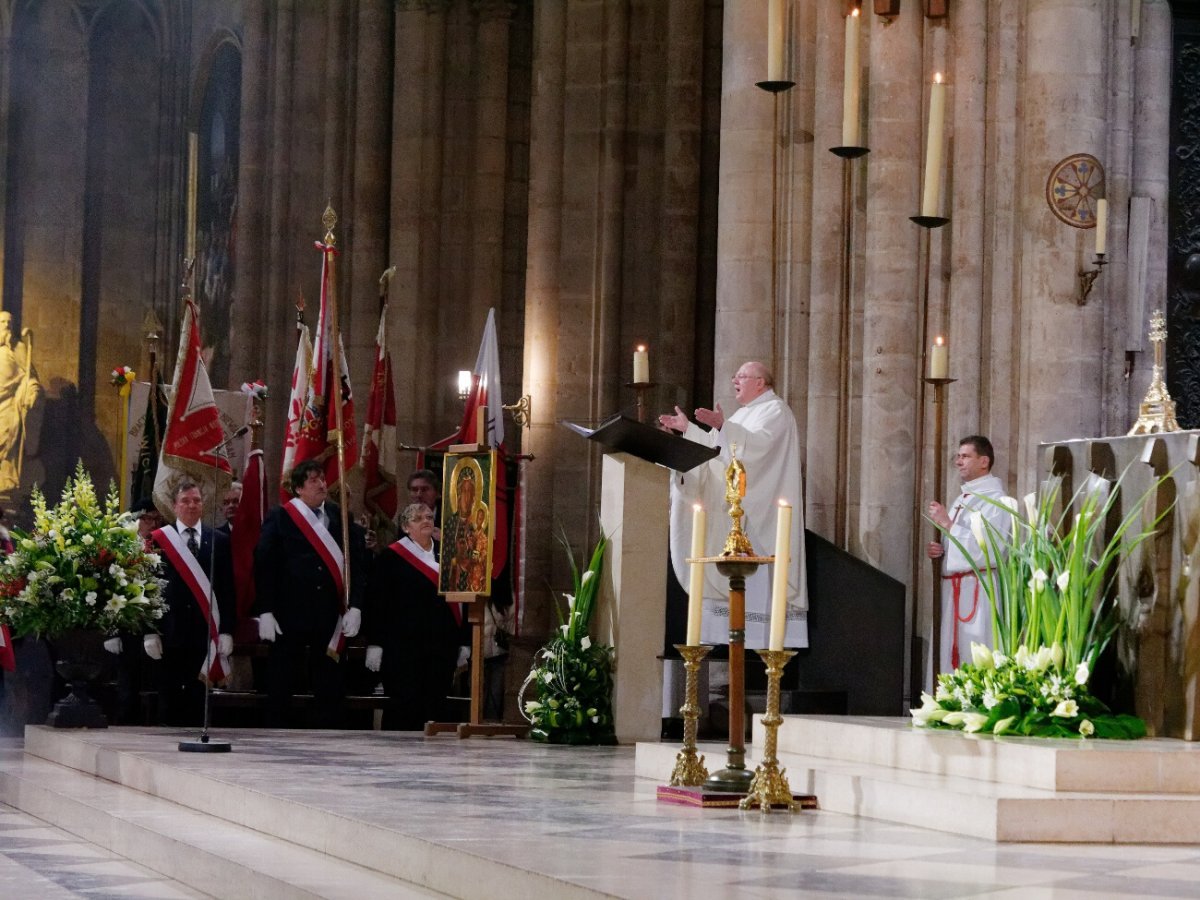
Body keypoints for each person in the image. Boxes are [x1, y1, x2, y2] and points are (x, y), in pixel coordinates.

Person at [658, 361, 808, 647]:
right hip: (737, 522)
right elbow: (714, 454)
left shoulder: (776, 410)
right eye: (735, 376)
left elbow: (756, 451)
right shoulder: (745, 414)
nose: (735, 381)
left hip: (760, 524)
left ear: (761, 382)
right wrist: (688, 430)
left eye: (742, 376)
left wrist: (724, 426)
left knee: (761, 625)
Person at [253, 459, 368, 728]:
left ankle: (327, 735)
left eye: (322, 479)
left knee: (329, 680)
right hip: (289, 612)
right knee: (282, 679)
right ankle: (276, 735)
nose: (322, 485)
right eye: (314, 480)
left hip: (329, 613)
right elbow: (264, 563)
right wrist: (266, 609)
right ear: (298, 489)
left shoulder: (340, 516)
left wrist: (356, 606)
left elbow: (357, 564)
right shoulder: (281, 517)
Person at [143, 480, 236, 726]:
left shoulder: (220, 540)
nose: (191, 505)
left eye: (196, 500)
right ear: (174, 506)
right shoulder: (158, 540)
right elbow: (147, 587)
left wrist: (226, 630)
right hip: (169, 630)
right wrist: (149, 631)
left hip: (204, 633)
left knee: (200, 700)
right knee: (169, 699)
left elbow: (227, 589)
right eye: (185, 501)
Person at [364, 503, 462, 729]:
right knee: (404, 707)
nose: (426, 520)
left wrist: (463, 640)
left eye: (428, 516)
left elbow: (462, 599)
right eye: (418, 518)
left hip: (440, 646)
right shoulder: (391, 557)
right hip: (403, 648)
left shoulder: (448, 554)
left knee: (435, 704)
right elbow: (378, 603)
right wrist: (376, 642)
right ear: (406, 527)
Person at [926, 435, 1012, 675]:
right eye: (958, 456)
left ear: (984, 461)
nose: (958, 461)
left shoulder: (998, 501)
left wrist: (948, 524)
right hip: (953, 590)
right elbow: (958, 543)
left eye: (965, 456)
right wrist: (941, 551)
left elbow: (989, 550)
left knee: (974, 651)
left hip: (978, 588)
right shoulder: (962, 499)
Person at [0, 311, 41, 493]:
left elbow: (30, 378)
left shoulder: (19, 349)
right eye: (2, 322)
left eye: (10, 322)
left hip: (10, 406)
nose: (6, 325)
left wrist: (32, 392)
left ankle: (6, 480)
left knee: (7, 440)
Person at [407, 468, 441, 540]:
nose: (419, 495)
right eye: (414, 490)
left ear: (437, 493)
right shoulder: (406, 518)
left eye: (424, 489)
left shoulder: (449, 518)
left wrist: (445, 540)